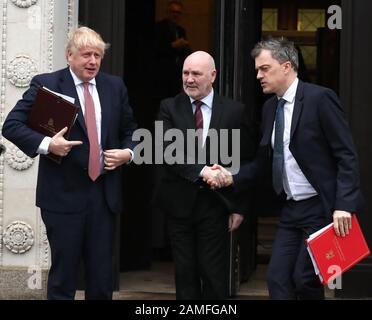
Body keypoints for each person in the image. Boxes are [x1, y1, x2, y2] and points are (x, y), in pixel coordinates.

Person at [207, 38, 363, 300]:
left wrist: (344, 205)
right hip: (292, 208)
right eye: (258, 69)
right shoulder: (270, 108)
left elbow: (346, 155)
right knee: (277, 278)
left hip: (322, 207)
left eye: (264, 69)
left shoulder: (319, 99)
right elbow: (263, 163)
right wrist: (229, 176)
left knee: (304, 278)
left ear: (287, 66)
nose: (258, 75)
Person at [2, 26, 137, 300]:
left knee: (101, 279)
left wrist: (128, 153)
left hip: (103, 197)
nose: (93, 62)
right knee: (63, 279)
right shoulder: (47, 84)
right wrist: (48, 144)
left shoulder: (114, 86)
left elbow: (131, 130)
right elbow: (11, 126)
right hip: (63, 198)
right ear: (69, 56)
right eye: (87, 55)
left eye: (98, 55)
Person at [155, 50, 251, 300]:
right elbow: (165, 150)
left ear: (213, 75)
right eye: (185, 73)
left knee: (213, 273)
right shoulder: (169, 107)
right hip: (179, 204)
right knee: (185, 274)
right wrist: (201, 170)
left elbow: (244, 161)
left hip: (216, 204)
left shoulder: (234, 111)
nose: (189, 79)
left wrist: (238, 206)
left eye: (196, 73)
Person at [153, 0, 192, 100]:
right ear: (168, 13)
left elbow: (187, 52)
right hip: (162, 73)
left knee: (175, 100)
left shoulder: (181, 30)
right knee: (162, 100)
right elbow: (155, 49)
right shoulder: (159, 28)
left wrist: (185, 46)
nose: (175, 15)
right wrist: (172, 45)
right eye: (173, 12)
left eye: (178, 12)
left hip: (177, 72)